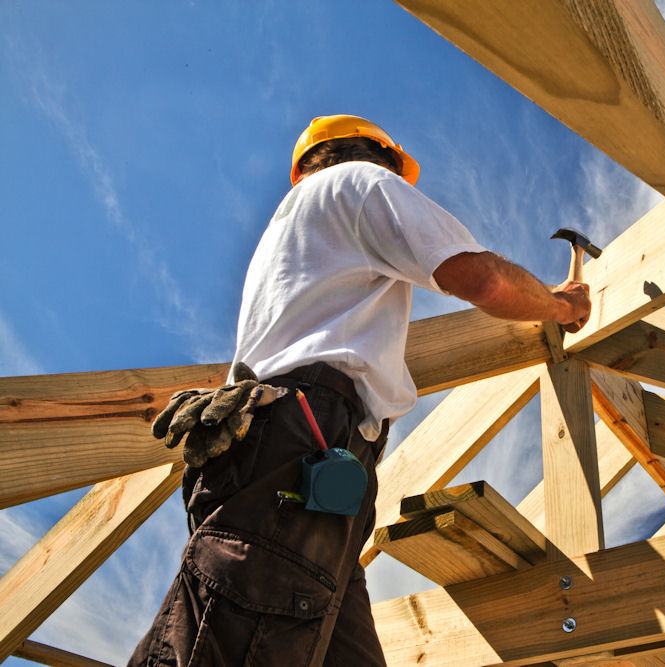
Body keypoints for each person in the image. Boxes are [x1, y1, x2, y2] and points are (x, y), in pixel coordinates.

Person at [130, 114, 591, 665]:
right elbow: (484, 279)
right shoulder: (361, 184)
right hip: (303, 446)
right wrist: (562, 305)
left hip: (302, 462)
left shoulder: (295, 231)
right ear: (381, 159)